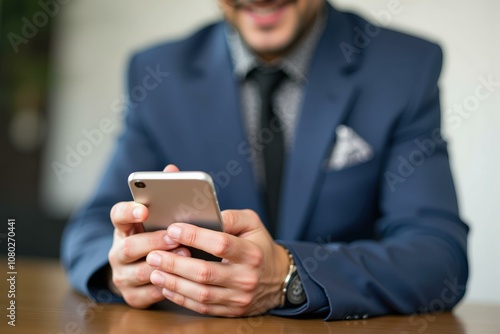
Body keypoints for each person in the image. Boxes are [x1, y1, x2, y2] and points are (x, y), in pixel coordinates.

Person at [61, 0, 469, 320]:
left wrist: (290, 277)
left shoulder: (404, 67)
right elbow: (90, 230)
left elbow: (439, 258)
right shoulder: (157, 72)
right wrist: (121, 272)